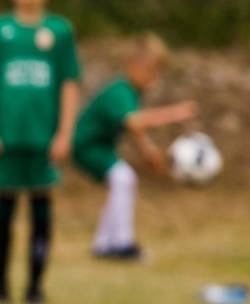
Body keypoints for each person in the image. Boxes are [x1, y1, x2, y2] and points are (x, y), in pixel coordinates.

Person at [0, 0, 82, 304]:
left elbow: (69, 83)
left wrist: (65, 132)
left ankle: (36, 287)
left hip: (43, 138)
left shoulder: (60, 32)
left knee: (41, 207)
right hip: (6, 137)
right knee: (3, 208)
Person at [74, 35, 198, 261]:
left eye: (156, 73)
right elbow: (134, 122)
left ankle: (104, 244)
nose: (152, 78)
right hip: (86, 145)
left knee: (122, 181)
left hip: (99, 146)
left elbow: (133, 127)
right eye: (148, 71)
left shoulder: (132, 91)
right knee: (123, 178)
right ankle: (121, 244)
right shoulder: (120, 90)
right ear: (131, 65)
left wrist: (148, 151)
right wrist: (174, 113)